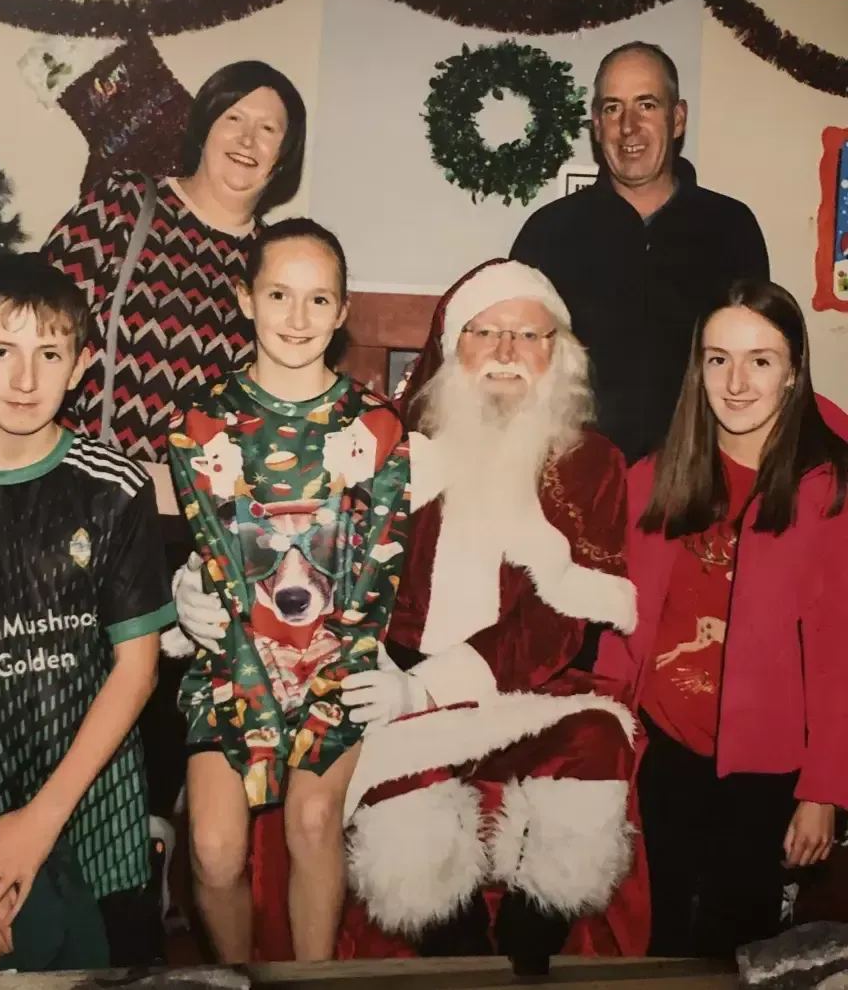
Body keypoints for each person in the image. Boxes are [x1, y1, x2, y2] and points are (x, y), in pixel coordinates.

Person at [335, 260, 645, 974]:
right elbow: (326, 560)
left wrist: (430, 688)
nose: (507, 352)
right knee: (398, 780)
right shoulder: (394, 450)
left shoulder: (591, 463)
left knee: (597, 742)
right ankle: (463, 956)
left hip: (526, 685)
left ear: (558, 353)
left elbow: (558, 624)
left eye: (529, 335)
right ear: (453, 347)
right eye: (486, 332)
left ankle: (530, 953)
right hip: (398, 673)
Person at [44, 59, 308, 852]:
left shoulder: (275, 265)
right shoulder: (126, 207)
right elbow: (40, 324)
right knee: (64, 712)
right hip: (89, 510)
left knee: (157, 728)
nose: (248, 139)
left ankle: (144, 868)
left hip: (200, 534)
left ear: (286, 155)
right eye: (234, 118)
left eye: (270, 129)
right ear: (204, 125)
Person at [0, 253, 175, 975]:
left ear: (79, 365)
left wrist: (39, 826)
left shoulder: (115, 488)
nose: (25, 379)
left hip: (96, 824)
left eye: (49, 353)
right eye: (0, 352)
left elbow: (137, 672)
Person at [164, 218, 411, 962]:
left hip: (334, 660)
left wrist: (327, 669)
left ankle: (314, 979)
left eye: (318, 299)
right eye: (278, 294)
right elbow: (211, 556)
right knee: (212, 850)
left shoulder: (376, 425)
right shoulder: (201, 423)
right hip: (232, 658)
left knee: (311, 821)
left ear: (342, 312)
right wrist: (187, 597)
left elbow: (375, 573)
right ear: (246, 299)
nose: (297, 317)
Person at [598, 279, 848, 958]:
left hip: (766, 774)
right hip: (661, 757)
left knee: (736, 952)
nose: (736, 383)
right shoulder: (652, 479)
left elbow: (837, 657)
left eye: (760, 361)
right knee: (656, 945)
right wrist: (605, 741)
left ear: (793, 372)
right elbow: (622, 629)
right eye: (718, 360)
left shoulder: (827, 492)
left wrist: (824, 790)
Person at [510, 42, 770, 464]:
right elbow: (516, 369)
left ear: (677, 118)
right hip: (575, 476)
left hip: (699, 475)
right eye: (613, 108)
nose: (628, 126)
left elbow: (759, 364)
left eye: (646, 105)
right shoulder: (547, 233)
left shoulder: (731, 228)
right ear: (596, 125)